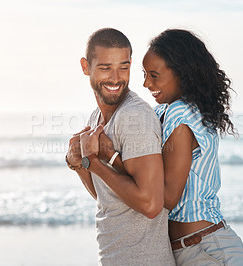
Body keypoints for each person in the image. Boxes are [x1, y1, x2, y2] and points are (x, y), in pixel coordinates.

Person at [96, 29, 243, 265]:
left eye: (154, 75)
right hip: (193, 249)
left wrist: (109, 157)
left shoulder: (181, 113)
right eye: (144, 74)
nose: (146, 83)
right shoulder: (163, 111)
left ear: (182, 74)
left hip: (207, 251)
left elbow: (167, 197)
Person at [65, 28, 175, 266]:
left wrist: (93, 162)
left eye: (123, 67)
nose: (116, 78)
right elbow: (110, 199)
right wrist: (79, 163)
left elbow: (150, 204)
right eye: (106, 68)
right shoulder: (96, 118)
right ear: (86, 67)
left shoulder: (135, 117)